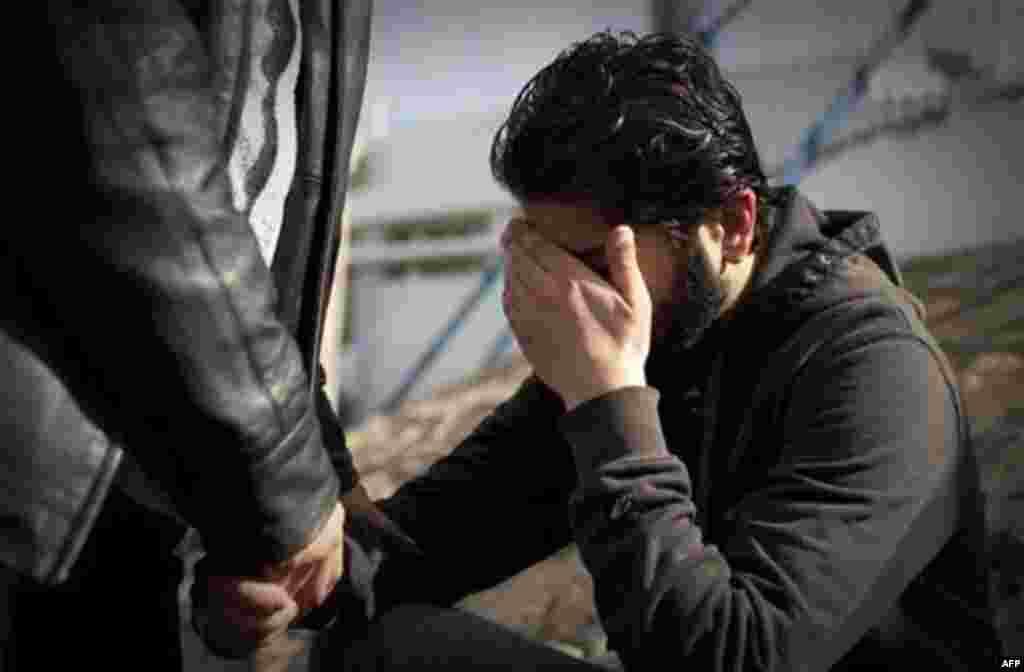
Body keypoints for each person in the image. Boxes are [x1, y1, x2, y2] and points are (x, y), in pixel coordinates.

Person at [199, 30, 1005, 670]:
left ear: (731, 226)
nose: (561, 296)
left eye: (590, 263)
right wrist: (304, 582)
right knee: (382, 648)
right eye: (539, 256)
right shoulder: (657, 335)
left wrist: (610, 408)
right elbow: (432, 545)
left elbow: (735, 660)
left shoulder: (873, 367)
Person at [0, 1, 408, 668]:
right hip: (29, 496)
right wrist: (291, 496)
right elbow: (123, 143)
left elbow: (263, 238)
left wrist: (311, 470)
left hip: (126, 510)